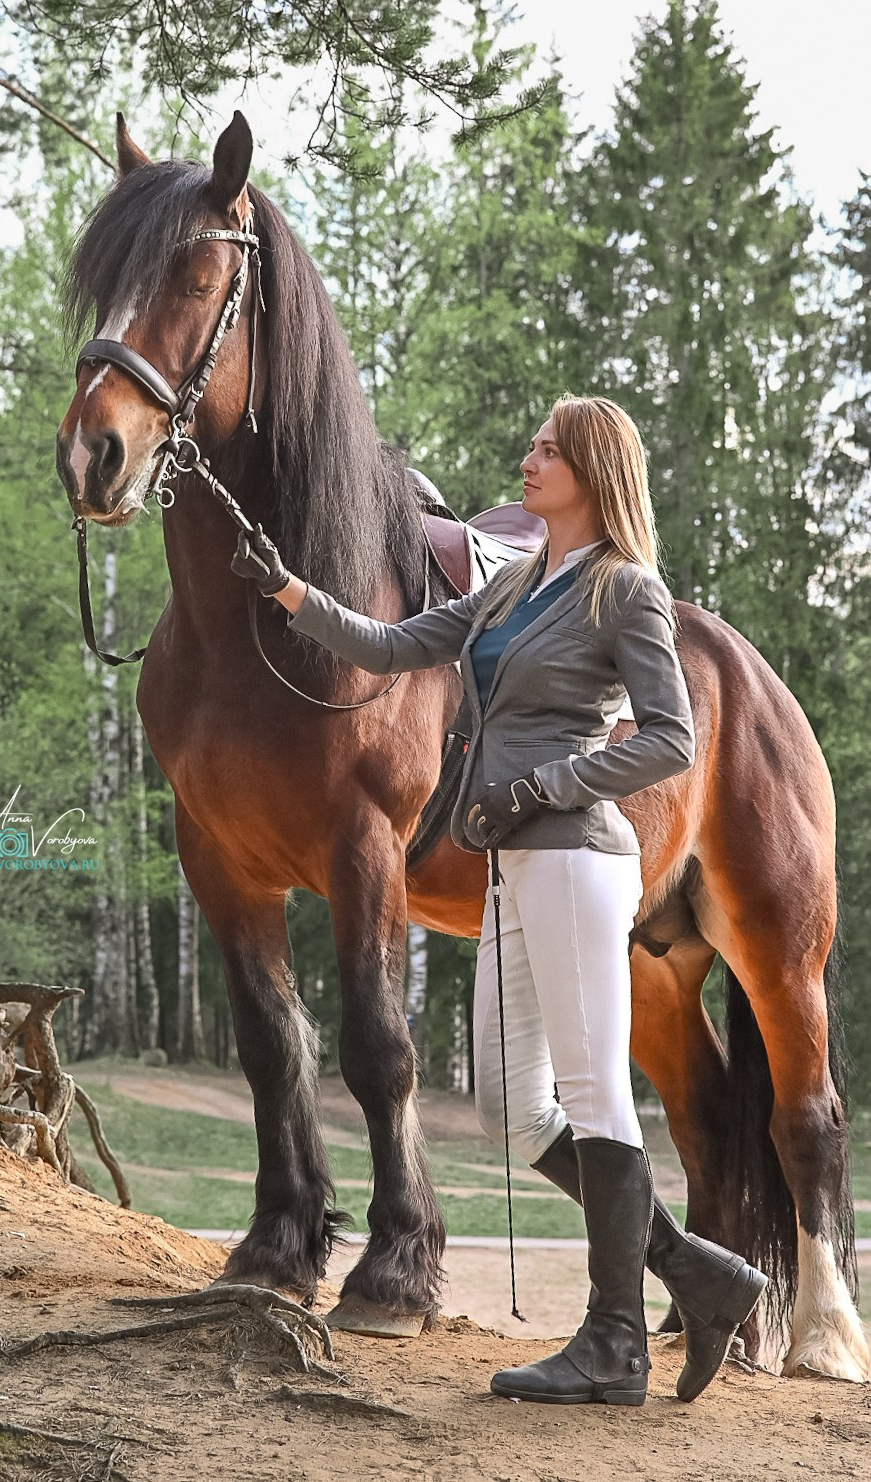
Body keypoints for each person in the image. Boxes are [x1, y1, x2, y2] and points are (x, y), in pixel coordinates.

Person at [231, 393, 767, 1407]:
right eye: (530, 444)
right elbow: (391, 647)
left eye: (548, 450)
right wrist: (290, 591)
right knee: (511, 1110)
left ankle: (613, 1345)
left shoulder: (627, 592)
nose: (527, 460)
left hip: (574, 854)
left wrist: (547, 783)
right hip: (508, 868)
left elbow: (671, 738)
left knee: (597, 1093)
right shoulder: (512, 584)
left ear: (593, 471)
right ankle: (702, 1272)